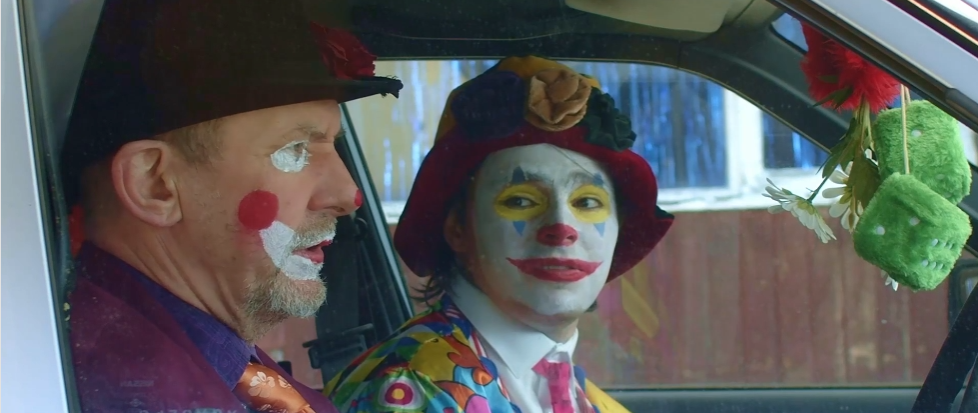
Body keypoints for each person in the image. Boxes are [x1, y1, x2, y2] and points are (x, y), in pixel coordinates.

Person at [60, 0, 403, 412]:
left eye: (334, 146)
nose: (349, 195)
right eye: (294, 150)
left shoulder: (202, 359)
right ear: (155, 185)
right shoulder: (128, 392)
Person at [324, 56, 674, 413]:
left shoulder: (580, 395)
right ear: (458, 228)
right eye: (521, 200)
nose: (561, 229)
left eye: (587, 201)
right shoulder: (405, 392)